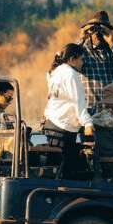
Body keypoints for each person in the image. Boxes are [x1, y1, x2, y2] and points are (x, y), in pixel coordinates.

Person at [42, 43, 92, 179]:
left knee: (54, 167)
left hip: (52, 123)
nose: (83, 62)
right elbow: (78, 101)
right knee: (64, 170)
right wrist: (87, 123)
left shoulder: (56, 72)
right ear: (72, 59)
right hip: (62, 127)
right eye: (81, 59)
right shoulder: (71, 74)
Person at [76, 10, 113, 106]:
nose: (98, 34)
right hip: (88, 111)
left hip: (109, 110)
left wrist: (112, 43)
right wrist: (81, 39)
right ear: (88, 31)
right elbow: (65, 65)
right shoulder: (81, 51)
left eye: (102, 29)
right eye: (94, 29)